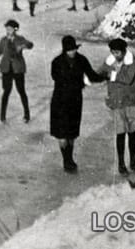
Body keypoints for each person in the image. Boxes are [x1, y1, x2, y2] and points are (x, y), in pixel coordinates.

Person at [50, 35, 105, 172]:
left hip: (75, 100)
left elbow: (92, 75)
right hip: (60, 101)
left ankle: (70, 159)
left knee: (72, 133)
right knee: (62, 134)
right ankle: (67, 160)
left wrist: (105, 76)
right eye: (69, 50)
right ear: (64, 50)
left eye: (74, 49)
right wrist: (79, 83)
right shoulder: (56, 62)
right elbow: (58, 79)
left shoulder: (82, 60)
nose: (72, 52)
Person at [100, 38, 135, 176]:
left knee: (132, 132)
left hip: (130, 101)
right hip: (117, 101)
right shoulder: (110, 61)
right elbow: (101, 72)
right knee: (120, 134)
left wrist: (111, 75)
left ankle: (133, 161)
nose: (115, 55)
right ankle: (121, 163)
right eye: (113, 52)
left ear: (124, 51)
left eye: (117, 52)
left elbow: (127, 78)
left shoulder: (132, 61)